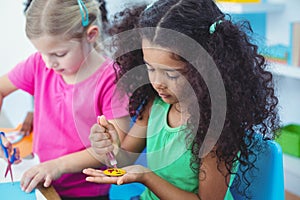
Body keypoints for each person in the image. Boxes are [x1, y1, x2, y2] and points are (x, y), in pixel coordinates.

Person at [83, 0, 280, 199]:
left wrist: (147, 177)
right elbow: (124, 161)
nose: (157, 82)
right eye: (150, 68)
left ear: (204, 69)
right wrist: (111, 147)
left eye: (171, 74)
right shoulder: (155, 105)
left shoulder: (213, 130)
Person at [0, 0, 130, 199]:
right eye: (43, 53)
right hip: (41, 184)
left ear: (91, 35)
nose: (49, 63)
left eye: (59, 54)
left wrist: (57, 166)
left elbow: (114, 147)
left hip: (86, 192)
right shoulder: (38, 64)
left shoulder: (111, 79)